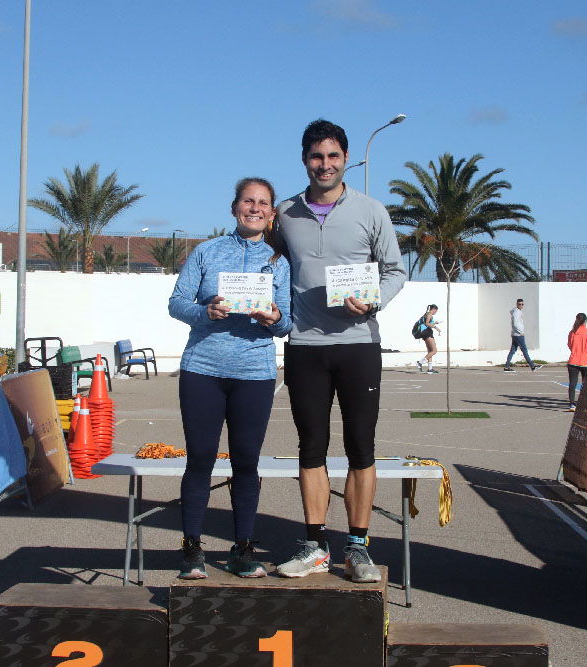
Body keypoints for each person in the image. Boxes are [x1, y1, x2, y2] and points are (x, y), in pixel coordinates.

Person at [271, 119, 406, 584]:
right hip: (304, 346)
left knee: (360, 448)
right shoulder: (284, 213)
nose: (324, 165)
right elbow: (265, 258)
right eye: (315, 156)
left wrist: (374, 300)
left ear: (346, 158)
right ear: (304, 159)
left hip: (358, 346)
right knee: (311, 448)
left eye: (332, 156)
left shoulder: (371, 211)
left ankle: (358, 547)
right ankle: (315, 545)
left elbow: (394, 271)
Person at [168, 177, 292, 580]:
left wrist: (272, 318)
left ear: (272, 213)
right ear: (234, 207)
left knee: (246, 462)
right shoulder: (206, 252)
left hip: (254, 374)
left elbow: (287, 321)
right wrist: (206, 312)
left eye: (262, 204)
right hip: (202, 369)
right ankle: (191, 549)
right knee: (201, 458)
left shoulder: (279, 262)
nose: (254, 209)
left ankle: (242, 548)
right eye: (247, 201)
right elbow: (177, 302)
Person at [566, 313, 587, 412]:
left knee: (573, 383)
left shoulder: (573, 332)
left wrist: (575, 351)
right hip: (585, 361)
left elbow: (570, 345)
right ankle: (584, 403)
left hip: (573, 360)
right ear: (585, 321)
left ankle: (572, 404)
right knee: (586, 384)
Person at [503, 298, 542, 372]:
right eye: (519, 304)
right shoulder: (517, 312)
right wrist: (520, 332)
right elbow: (515, 324)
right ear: (517, 304)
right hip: (518, 335)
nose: (521, 305)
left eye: (522, 304)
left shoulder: (516, 311)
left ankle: (507, 367)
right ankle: (532, 366)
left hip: (515, 334)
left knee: (512, 350)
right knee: (524, 350)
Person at [414, 304, 441, 374]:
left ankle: (430, 368)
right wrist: (435, 327)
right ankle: (420, 362)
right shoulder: (429, 314)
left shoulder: (427, 314)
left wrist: (434, 323)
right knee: (434, 350)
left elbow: (428, 322)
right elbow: (427, 323)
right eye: (436, 311)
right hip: (427, 333)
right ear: (433, 309)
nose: (436, 312)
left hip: (424, 333)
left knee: (430, 351)